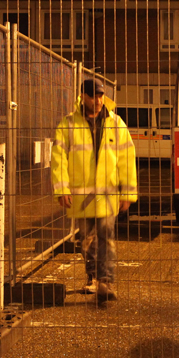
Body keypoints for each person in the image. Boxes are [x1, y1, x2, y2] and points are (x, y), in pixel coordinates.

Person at [51, 78, 137, 303]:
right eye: (92, 96)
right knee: (87, 240)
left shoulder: (116, 124)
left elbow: (127, 160)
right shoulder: (69, 124)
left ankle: (105, 281)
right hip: (82, 196)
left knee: (106, 236)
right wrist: (61, 189)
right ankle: (92, 276)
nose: (97, 100)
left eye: (100, 95)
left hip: (108, 194)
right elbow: (58, 158)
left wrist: (128, 193)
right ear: (83, 97)